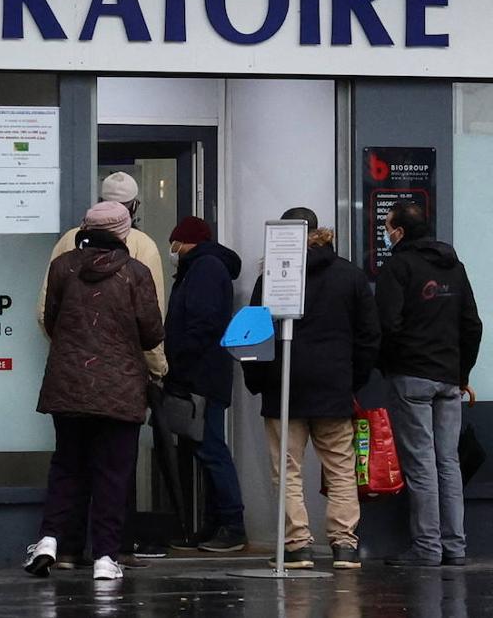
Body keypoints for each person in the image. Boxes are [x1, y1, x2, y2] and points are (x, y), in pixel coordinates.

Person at [24, 202, 165, 581]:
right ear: (124, 233)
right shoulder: (136, 272)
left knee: (67, 465)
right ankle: (105, 556)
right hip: (120, 388)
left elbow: (50, 319)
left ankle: (50, 540)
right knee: (113, 473)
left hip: (68, 384)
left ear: (84, 229)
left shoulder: (62, 267)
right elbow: (152, 332)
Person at [245, 208, 381, 570]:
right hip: (333, 389)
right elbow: (370, 336)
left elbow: (254, 336)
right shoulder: (350, 276)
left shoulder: (272, 276)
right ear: (319, 231)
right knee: (340, 469)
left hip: (283, 388)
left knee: (287, 471)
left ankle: (297, 545)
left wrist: (260, 382)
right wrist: (353, 379)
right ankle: (344, 546)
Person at [376, 201, 483, 568]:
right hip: (447, 379)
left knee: (421, 463)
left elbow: (387, 325)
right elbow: (473, 325)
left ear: (400, 232)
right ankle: (455, 547)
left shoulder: (397, 267)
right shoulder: (455, 267)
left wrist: (388, 365)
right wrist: (461, 373)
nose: (386, 233)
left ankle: (427, 547)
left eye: (388, 227)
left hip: (411, 376)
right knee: (448, 463)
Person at [163, 216, 247, 553]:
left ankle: (233, 525)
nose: (173, 250)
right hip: (203, 373)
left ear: (185, 242)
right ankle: (215, 524)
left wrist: (177, 365)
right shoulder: (204, 267)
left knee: (212, 449)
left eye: (174, 244)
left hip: (200, 376)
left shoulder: (205, 268)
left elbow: (201, 324)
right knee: (205, 449)